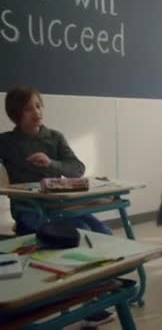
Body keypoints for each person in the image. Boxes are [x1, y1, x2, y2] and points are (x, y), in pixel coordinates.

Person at [0, 87, 114, 326]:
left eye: (39, 106)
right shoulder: (6, 142)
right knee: (73, 238)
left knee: (103, 234)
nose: (37, 112)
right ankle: (71, 301)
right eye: (28, 108)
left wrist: (51, 163)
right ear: (15, 114)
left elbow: (77, 168)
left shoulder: (55, 137)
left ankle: (93, 301)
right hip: (28, 210)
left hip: (60, 206)